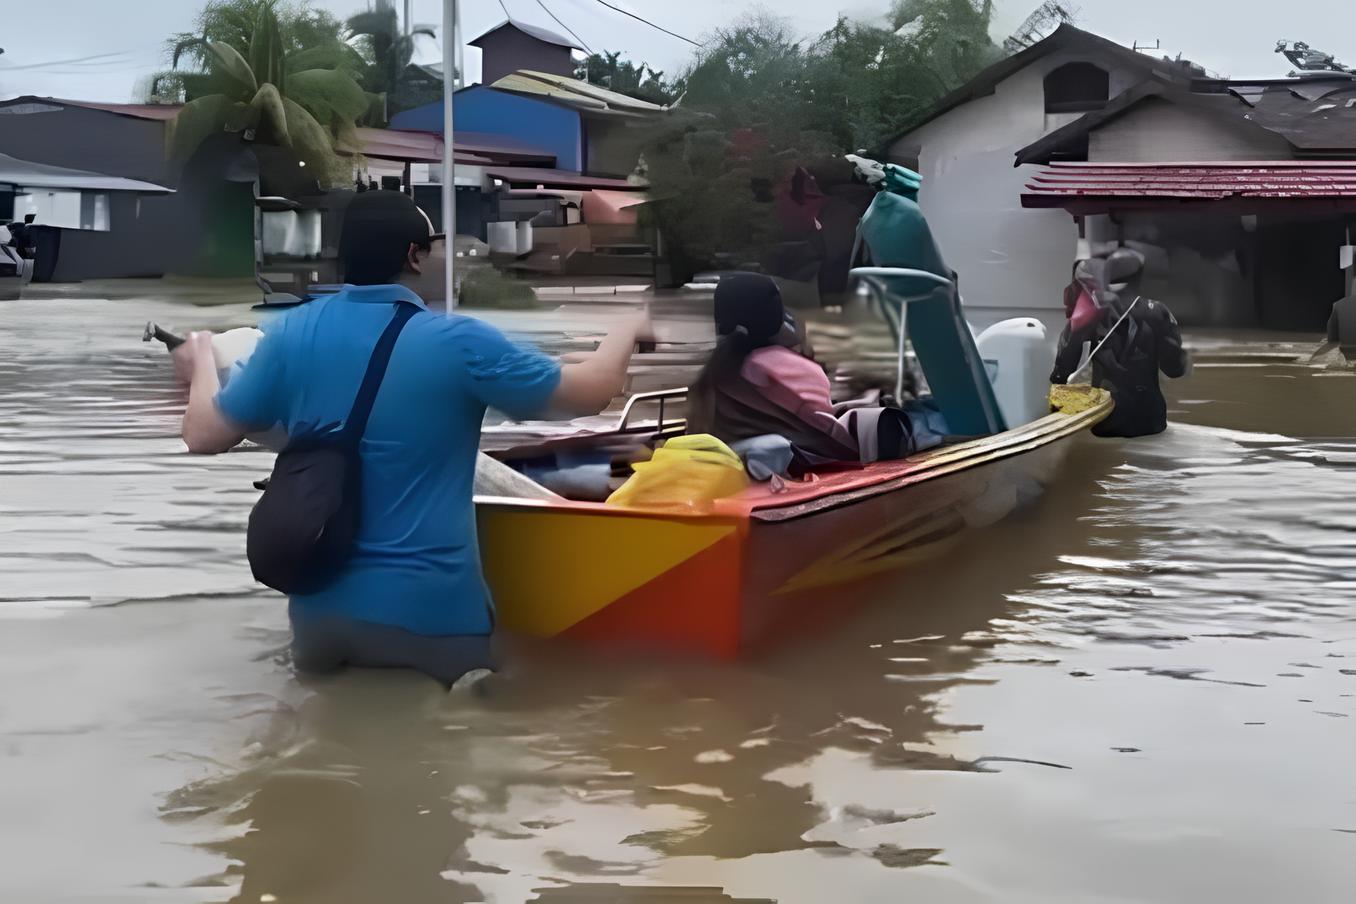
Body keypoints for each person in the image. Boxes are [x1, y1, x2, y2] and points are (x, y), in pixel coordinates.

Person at [180, 191, 648, 685]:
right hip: (432, 621)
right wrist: (629, 328)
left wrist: (201, 362)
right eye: (439, 244)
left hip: (319, 618)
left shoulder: (289, 333)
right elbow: (590, 394)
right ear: (414, 255)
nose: (449, 255)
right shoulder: (460, 342)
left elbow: (204, 434)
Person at [687, 273, 926, 469]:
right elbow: (826, 434)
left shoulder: (708, 378)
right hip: (800, 474)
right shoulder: (792, 369)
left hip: (728, 473)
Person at [1051, 248, 1188, 438]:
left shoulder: (1090, 311)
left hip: (1105, 420)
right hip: (1150, 420)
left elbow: (1061, 371)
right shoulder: (1159, 311)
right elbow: (1175, 370)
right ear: (1141, 276)